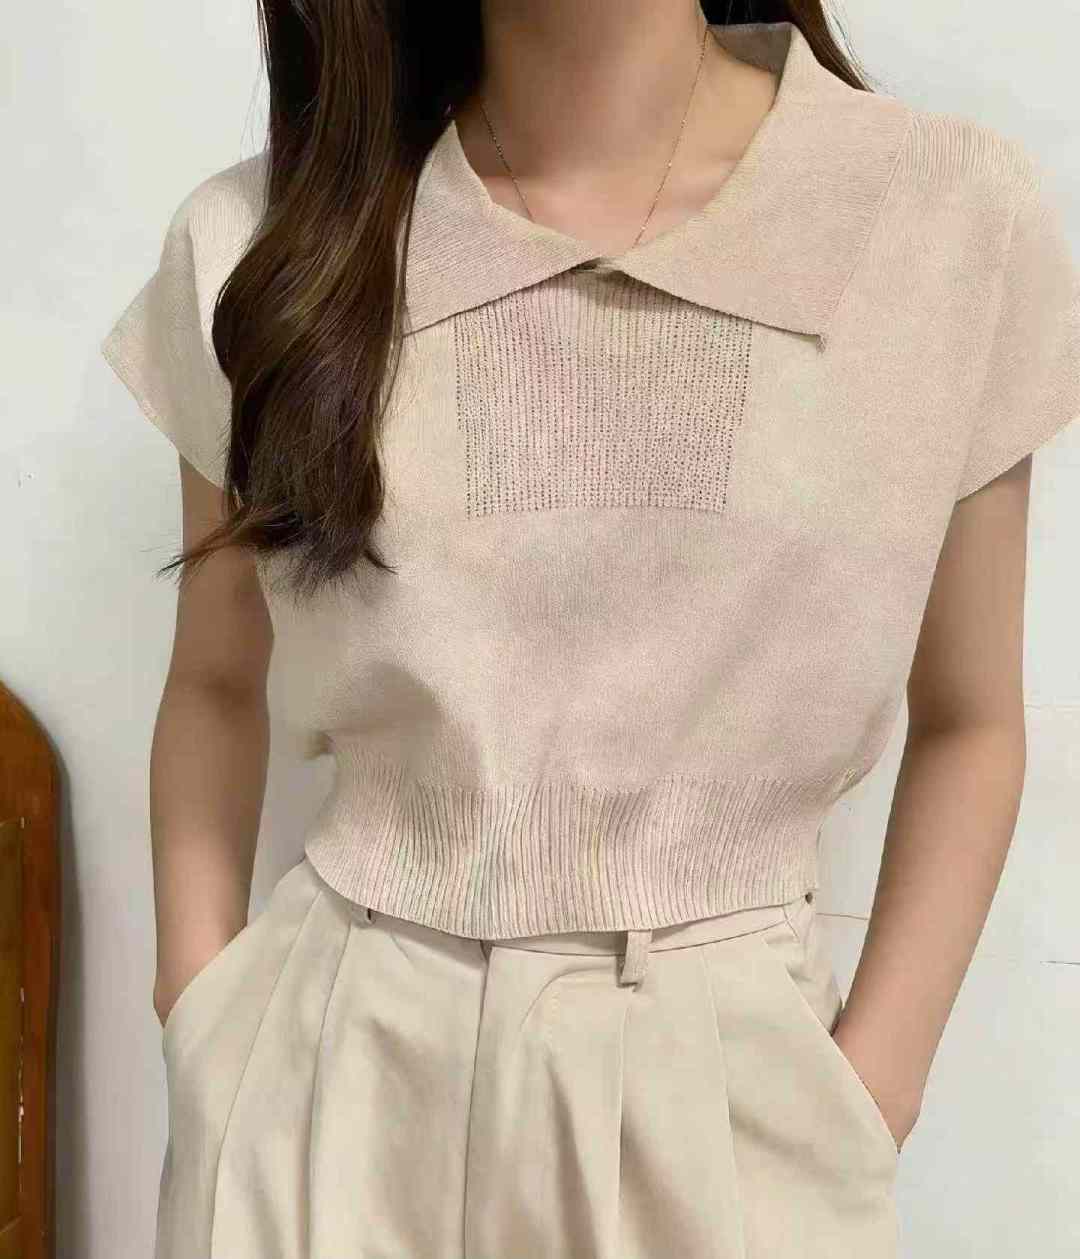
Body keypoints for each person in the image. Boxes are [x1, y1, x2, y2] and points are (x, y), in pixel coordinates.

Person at [100, 3, 1080, 1256]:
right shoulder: (269, 246)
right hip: (331, 1091)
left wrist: (871, 1089)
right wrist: (200, 1008)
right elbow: (214, 677)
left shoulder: (944, 218)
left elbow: (973, 717)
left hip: (732, 1106)